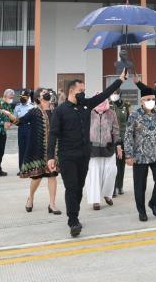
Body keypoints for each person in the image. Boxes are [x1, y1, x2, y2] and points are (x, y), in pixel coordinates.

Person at [47, 70, 126, 237]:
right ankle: (73, 220)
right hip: (67, 156)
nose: (83, 94)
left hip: (84, 155)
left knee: (79, 188)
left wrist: (119, 80)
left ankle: (74, 214)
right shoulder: (60, 111)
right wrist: (50, 157)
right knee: (71, 187)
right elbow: (53, 134)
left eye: (84, 91)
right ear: (71, 91)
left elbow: (105, 94)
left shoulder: (86, 105)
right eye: (80, 91)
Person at [124, 91, 156, 222]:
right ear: (142, 101)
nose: (151, 101)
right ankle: (141, 211)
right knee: (140, 186)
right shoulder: (134, 115)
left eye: (153, 99)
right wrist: (128, 155)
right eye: (147, 99)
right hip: (140, 156)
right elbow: (128, 135)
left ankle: (154, 203)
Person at [18, 88, 61, 215]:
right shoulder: (34, 112)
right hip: (38, 150)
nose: (47, 94)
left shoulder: (55, 111)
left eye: (47, 92)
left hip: (52, 150)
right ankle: (30, 197)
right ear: (38, 98)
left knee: (52, 175)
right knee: (36, 178)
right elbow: (21, 121)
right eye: (44, 93)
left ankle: (52, 204)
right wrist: (11, 118)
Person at [85, 97, 121, 210]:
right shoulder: (89, 112)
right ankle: (96, 201)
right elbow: (85, 129)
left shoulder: (111, 113)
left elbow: (116, 130)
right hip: (93, 148)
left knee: (111, 172)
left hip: (108, 148)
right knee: (94, 174)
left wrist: (117, 145)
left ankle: (107, 194)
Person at [110, 92, 130, 196]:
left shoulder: (126, 106)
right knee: (113, 164)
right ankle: (112, 188)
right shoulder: (108, 105)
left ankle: (120, 185)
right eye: (113, 93)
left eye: (116, 93)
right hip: (112, 138)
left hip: (123, 137)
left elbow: (128, 121)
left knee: (121, 164)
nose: (114, 95)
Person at [14, 88, 36, 169]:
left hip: (30, 128)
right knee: (22, 148)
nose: (22, 98)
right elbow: (15, 119)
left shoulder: (32, 107)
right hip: (21, 128)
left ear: (28, 97)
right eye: (21, 96)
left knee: (29, 148)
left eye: (24, 97)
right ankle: (22, 168)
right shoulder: (17, 107)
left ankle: (30, 168)